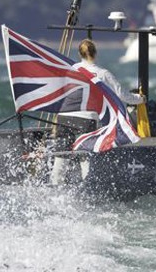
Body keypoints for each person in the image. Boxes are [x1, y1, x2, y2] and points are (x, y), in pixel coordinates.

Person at [50, 39, 145, 185]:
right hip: (85, 119)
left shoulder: (70, 70)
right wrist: (140, 99)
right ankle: (85, 192)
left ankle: (54, 190)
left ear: (79, 54)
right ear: (95, 53)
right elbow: (122, 95)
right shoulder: (102, 73)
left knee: (61, 158)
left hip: (64, 118)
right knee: (85, 158)